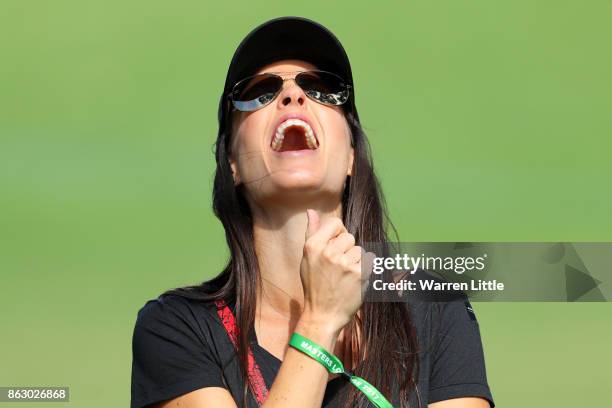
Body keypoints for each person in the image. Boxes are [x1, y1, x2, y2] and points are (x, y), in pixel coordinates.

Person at [130, 16, 495, 408]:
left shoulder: (433, 313)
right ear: (232, 161)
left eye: (322, 89)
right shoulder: (178, 329)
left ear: (352, 155)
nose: (293, 97)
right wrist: (320, 321)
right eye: (260, 91)